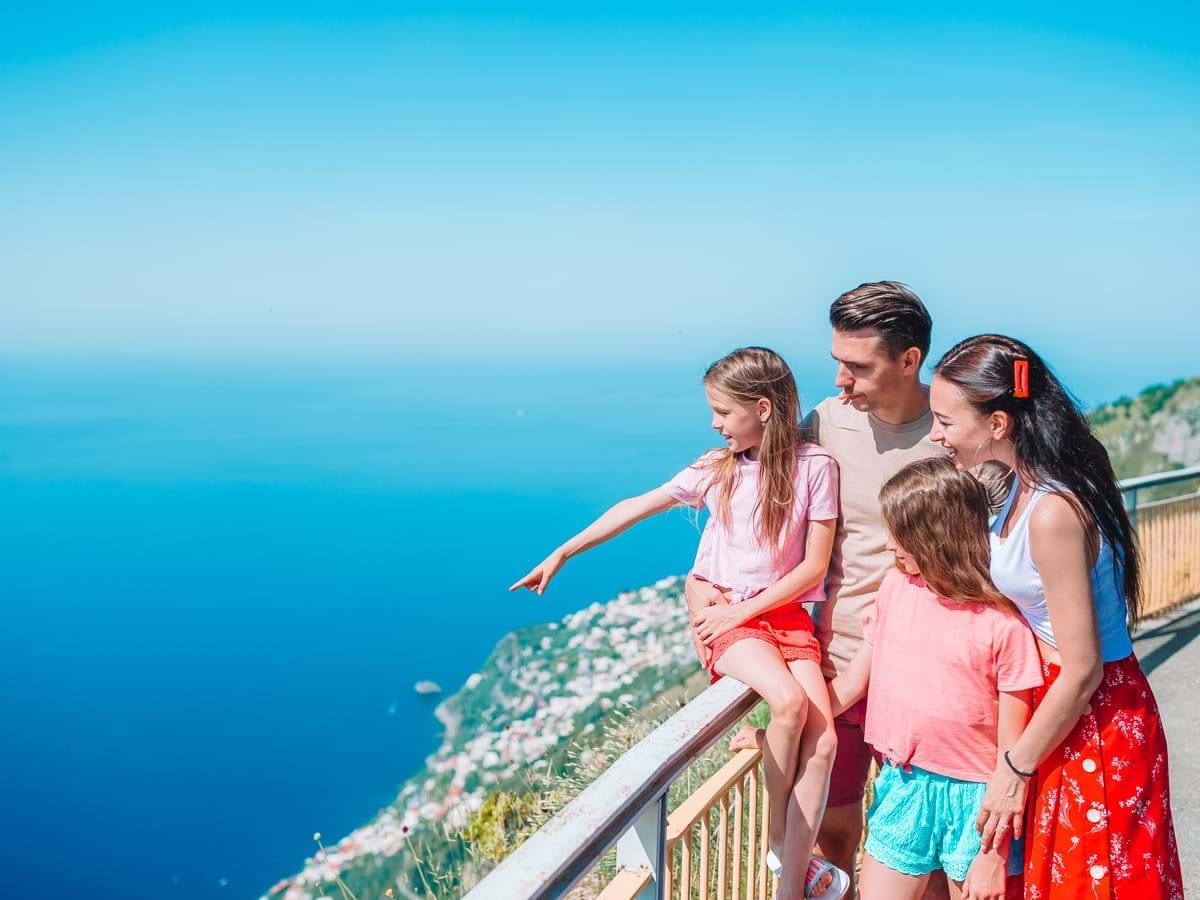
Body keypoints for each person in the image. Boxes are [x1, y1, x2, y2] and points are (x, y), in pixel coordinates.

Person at [513, 347, 845, 899]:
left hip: (776, 613)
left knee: (826, 742)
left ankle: (790, 884)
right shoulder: (716, 469)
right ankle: (778, 838)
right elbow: (635, 506)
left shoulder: (816, 468)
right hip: (726, 615)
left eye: (723, 412)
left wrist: (749, 607)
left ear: (762, 408)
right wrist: (563, 552)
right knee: (788, 704)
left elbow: (813, 564)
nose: (714, 424)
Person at [705, 281, 950, 897]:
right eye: (837, 360)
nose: (841, 377)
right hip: (834, 655)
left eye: (858, 365)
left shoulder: (950, 433)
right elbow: (759, 509)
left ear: (909, 360)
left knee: (935, 852)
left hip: (922, 670)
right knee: (832, 836)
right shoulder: (825, 422)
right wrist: (703, 586)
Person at [931, 334, 1184, 899]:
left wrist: (1012, 772)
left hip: (1089, 719)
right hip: (1064, 716)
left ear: (997, 423)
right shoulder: (1030, 492)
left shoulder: (1052, 513)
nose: (936, 434)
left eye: (946, 420)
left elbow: (1084, 667)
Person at [827, 458, 1042, 900]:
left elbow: (1011, 751)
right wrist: (784, 728)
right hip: (904, 783)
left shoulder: (1005, 627)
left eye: (898, 535)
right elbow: (850, 685)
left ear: (933, 539)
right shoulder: (894, 590)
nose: (889, 545)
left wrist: (993, 855)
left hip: (979, 803)